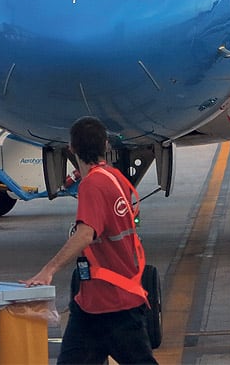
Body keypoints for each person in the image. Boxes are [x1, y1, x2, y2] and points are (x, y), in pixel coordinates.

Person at [23, 116, 158, 364]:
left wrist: (48, 269)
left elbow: (86, 234)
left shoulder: (92, 185)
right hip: (93, 304)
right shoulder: (115, 178)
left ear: (71, 148)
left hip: (114, 305)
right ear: (105, 145)